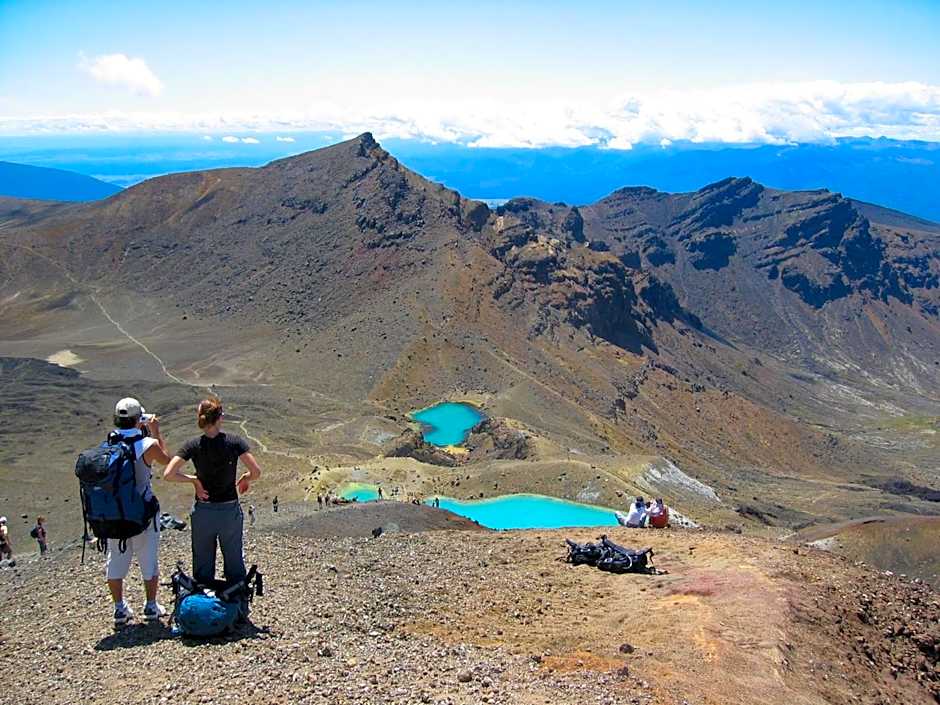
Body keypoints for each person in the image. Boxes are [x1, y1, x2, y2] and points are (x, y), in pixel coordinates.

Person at [164, 396, 262, 587]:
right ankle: (235, 600)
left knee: (202, 561)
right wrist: (246, 478)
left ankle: (202, 604)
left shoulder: (192, 445)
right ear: (220, 418)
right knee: (233, 557)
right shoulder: (234, 442)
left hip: (203, 511)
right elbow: (256, 472)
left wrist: (194, 481)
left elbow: (169, 474)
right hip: (228, 511)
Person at [107, 397, 172, 628]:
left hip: (115, 514)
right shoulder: (147, 445)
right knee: (148, 558)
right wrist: (155, 432)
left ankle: (119, 608)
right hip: (143, 511)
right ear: (138, 420)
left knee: (116, 560)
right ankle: (151, 605)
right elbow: (167, 461)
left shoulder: (109, 444)